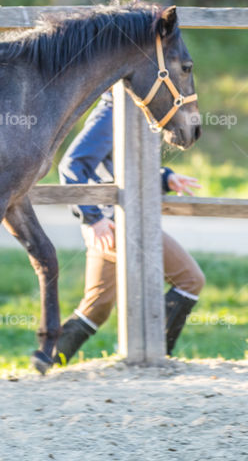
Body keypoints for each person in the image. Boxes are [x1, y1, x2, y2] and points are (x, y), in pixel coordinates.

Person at [55, 90, 205, 363]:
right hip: (115, 225)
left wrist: (166, 178)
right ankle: (157, 360)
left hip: (111, 225)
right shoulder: (112, 110)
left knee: (95, 309)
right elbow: (72, 165)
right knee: (190, 279)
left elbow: (121, 169)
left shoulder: (138, 109)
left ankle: (46, 362)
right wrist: (93, 218)